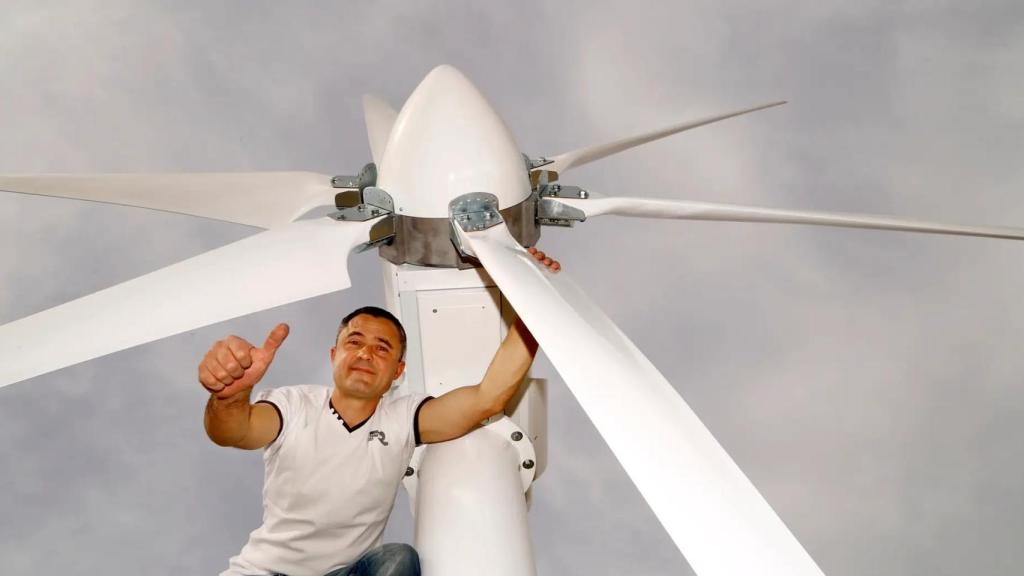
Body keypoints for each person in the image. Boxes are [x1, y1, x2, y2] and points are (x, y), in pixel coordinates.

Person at [200, 248, 561, 576]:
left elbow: (487, 399)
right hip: (263, 574)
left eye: (382, 348)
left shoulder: (404, 418)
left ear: (398, 371)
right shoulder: (293, 405)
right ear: (334, 355)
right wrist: (231, 396)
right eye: (354, 342)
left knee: (397, 562)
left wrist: (534, 308)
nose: (365, 354)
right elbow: (234, 431)